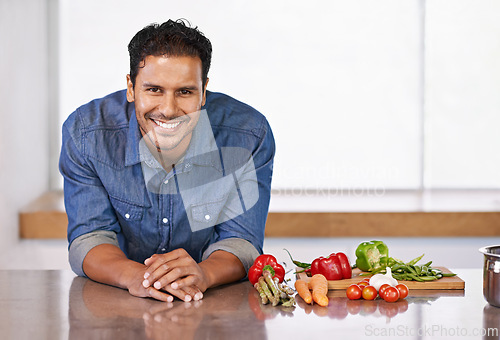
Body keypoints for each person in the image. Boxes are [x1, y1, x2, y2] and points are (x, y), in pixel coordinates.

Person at [59, 19, 275, 302]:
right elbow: (90, 237)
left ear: (204, 90)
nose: (169, 110)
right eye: (154, 90)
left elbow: (241, 240)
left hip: (209, 302)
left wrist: (204, 274)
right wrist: (137, 276)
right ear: (131, 87)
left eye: (185, 92)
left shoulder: (249, 134)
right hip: (120, 300)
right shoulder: (86, 134)